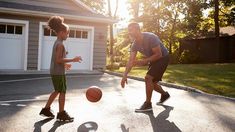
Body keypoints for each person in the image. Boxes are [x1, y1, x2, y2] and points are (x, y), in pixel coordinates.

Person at [39, 16, 82, 121]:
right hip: (58, 72)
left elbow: (57, 60)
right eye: (67, 33)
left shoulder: (57, 42)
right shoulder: (60, 45)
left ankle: (46, 109)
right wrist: (73, 59)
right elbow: (58, 59)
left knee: (57, 90)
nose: (68, 35)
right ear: (61, 32)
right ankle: (61, 113)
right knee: (62, 91)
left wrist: (65, 65)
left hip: (55, 70)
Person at [121, 22, 170, 112]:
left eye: (131, 30)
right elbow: (130, 61)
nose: (129, 33)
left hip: (163, 57)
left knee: (148, 78)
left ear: (137, 30)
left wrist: (143, 61)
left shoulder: (151, 37)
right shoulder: (135, 44)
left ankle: (148, 104)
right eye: (129, 31)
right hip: (154, 59)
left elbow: (159, 54)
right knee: (152, 83)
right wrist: (124, 76)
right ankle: (164, 94)